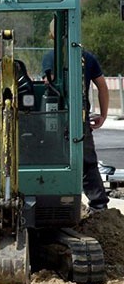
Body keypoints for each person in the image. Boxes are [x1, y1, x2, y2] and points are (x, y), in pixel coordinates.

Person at [42, 21, 109, 212]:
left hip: (55, 118)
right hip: (80, 119)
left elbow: (48, 85)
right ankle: (99, 205)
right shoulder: (86, 57)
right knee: (87, 162)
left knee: (54, 159)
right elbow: (102, 86)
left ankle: (55, 201)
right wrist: (103, 114)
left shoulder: (50, 57)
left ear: (52, 36)